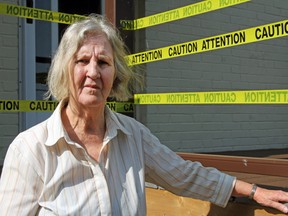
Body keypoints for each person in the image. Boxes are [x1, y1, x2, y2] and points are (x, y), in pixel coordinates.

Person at [0, 14, 288, 215]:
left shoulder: (133, 135)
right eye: (82, 61)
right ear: (65, 69)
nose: (93, 72)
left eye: (103, 62)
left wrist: (252, 191)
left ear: (115, 75)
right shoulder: (30, 151)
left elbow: (184, 175)